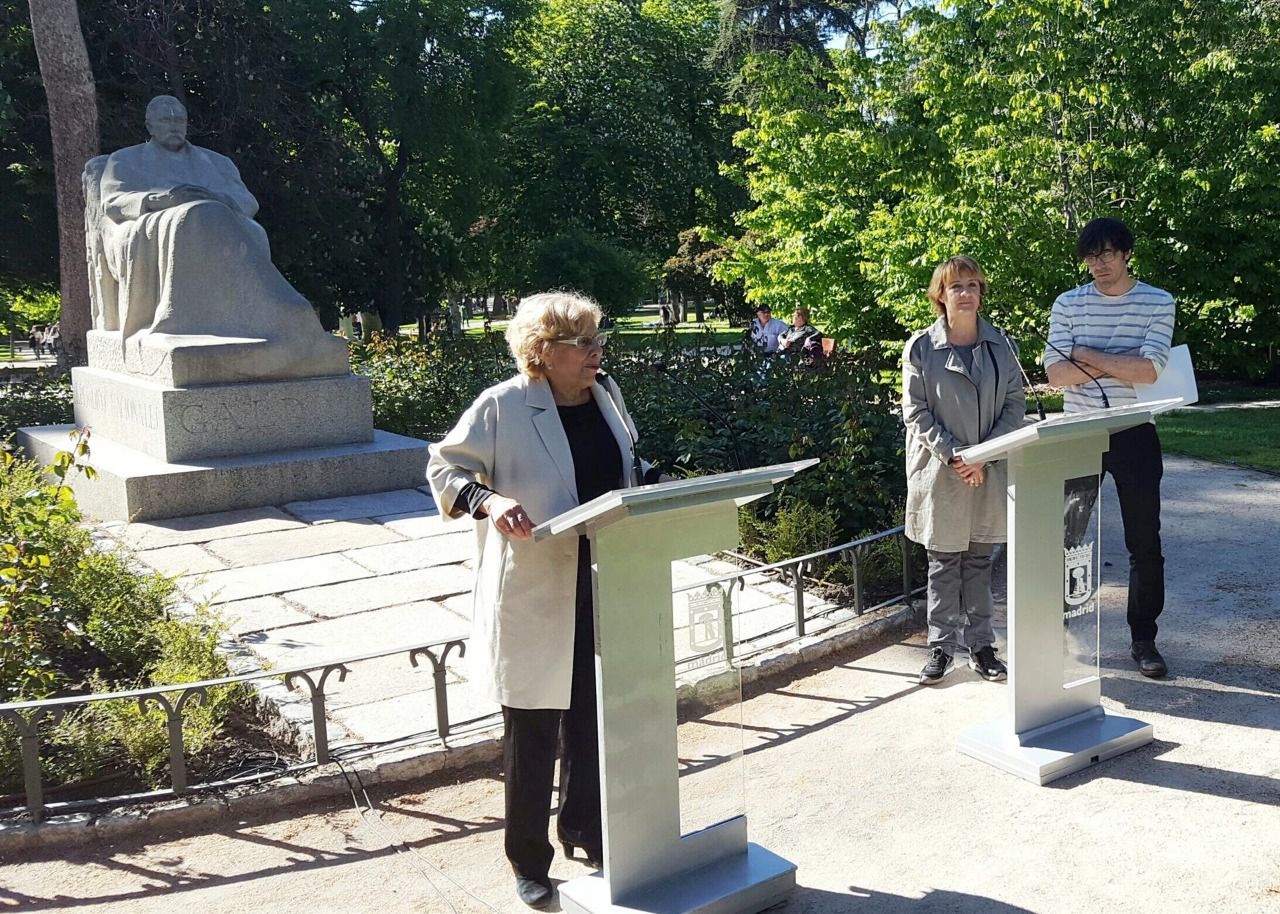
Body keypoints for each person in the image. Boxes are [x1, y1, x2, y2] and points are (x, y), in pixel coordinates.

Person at [427, 292, 663, 910]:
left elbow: (625, 466)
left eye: (597, 340)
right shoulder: (503, 406)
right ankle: (529, 862)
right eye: (583, 343)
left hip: (607, 576)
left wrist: (653, 486)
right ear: (543, 352)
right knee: (532, 731)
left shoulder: (606, 394)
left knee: (592, 717)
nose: (597, 352)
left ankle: (586, 830)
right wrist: (489, 501)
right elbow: (443, 469)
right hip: (534, 587)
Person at [93, 95, 345, 378]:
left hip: (221, 220)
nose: (174, 126)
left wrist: (215, 198)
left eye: (180, 120)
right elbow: (113, 202)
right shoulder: (124, 160)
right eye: (166, 120)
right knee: (194, 216)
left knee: (237, 224)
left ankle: (265, 316)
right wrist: (161, 199)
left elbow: (247, 202)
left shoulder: (216, 162)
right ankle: (183, 322)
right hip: (154, 224)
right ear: (150, 125)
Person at [1044, 217, 1175, 678]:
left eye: (1106, 253)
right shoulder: (1068, 303)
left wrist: (1088, 356)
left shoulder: (1158, 301)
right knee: (1064, 538)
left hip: (1135, 430)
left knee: (1145, 542)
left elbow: (1150, 371)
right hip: (1079, 433)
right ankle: (1055, 635)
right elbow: (1056, 375)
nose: (1097, 263)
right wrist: (1119, 364)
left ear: (1126, 254)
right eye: (1090, 255)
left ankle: (1144, 640)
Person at [903, 256, 1026, 684]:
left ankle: (982, 647)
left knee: (978, 563)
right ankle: (941, 648)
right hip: (942, 473)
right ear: (940, 295)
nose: (967, 293)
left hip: (986, 471)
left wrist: (983, 456)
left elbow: (1015, 405)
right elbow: (915, 413)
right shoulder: (921, 347)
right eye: (957, 287)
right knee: (943, 563)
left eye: (974, 285)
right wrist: (958, 456)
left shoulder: (1001, 345)